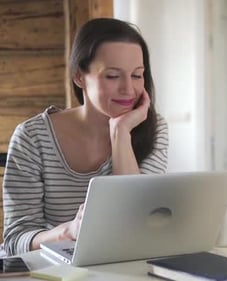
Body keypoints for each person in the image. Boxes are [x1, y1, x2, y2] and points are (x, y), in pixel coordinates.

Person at [2, 18, 169, 256]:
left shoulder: (153, 128)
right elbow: (15, 240)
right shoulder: (32, 137)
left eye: (137, 75)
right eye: (113, 76)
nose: (129, 89)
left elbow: (136, 223)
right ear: (79, 76)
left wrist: (120, 133)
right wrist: (69, 231)